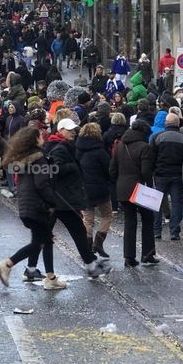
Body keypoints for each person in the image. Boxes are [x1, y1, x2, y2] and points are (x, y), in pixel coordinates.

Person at [0, 127, 64, 290]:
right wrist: (53, 202)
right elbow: (42, 184)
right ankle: (6, 264)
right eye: (41, 136)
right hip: (37, 206)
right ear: (34, 139)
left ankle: (51, 277)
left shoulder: (23, 159)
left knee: (44, 240)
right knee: (40, 242)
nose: (43, 138)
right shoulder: (39, 158)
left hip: (26, 205)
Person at [45, 118, 111, 277]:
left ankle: (90, 264)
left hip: (63, 199)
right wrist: (73, 167)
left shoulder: (67, 146)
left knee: (72, 232)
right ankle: (20, 265)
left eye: (74, 129)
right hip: (62, 200)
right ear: (60, 131)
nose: (73, 132)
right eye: (69, 130)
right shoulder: (60, 149)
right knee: (69, 233)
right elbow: (55, 170)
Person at [109, 118, 157, 267]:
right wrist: (149, 185)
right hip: (140, 188)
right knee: (147, 220)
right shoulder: (144, 147)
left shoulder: (120, 145)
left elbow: (112, 170)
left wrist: (121, 181)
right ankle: (147, 255)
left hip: (123, 188)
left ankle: (129, 258)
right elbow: (146, 171)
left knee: (129, 222)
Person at [74, 122, 113, 258]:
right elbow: (108, 170)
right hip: (100, 188)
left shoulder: (77, 149)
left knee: (88, 219)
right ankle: (98, 243)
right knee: (107, 215)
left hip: (84, 188)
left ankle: (87, 246)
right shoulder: (100, 151)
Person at [150, 113, 183, 241]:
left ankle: (156, 230)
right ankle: (174, 232)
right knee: (176, 203)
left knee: (157, 203)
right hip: (178, 175)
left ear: (166, 124)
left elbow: (152, 156)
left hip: (160, 174)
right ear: (178, 123)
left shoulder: (157, 137)